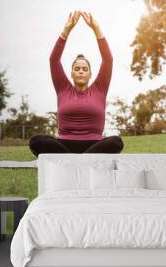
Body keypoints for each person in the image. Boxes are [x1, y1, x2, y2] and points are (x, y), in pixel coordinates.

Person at [29, 10, 124, 157]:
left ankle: (73, 162)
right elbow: (54, 60)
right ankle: (82, 161)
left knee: (116, 142)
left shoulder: (99, 88)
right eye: (77, 69)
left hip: (95, 144)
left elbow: (108, 60)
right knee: (36, 141)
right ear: (71, 73)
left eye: (85, 69)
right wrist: (67, 30)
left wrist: (96, 28)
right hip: (64, 145)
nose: (81, 71)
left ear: (90, 74)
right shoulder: (63, 88)